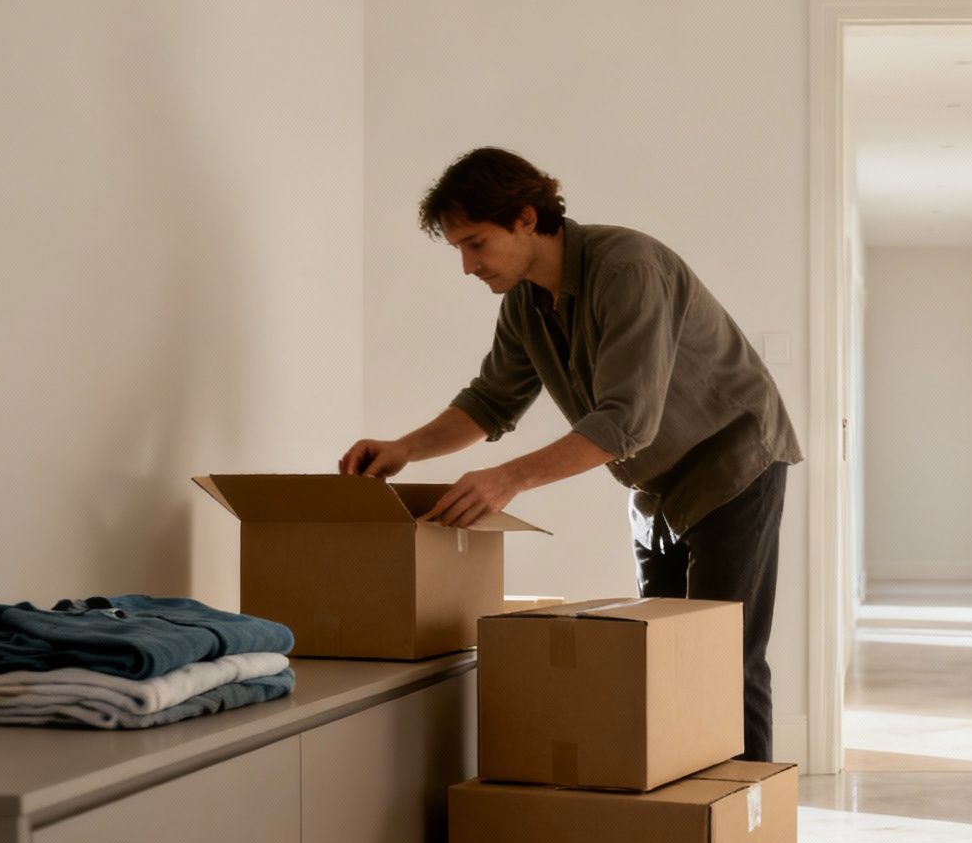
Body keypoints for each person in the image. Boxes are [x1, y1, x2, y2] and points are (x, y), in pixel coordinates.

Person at [339, 147, 801, 761]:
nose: (467, 265)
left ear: (527, 219)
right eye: (458, 249)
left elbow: (626, 421)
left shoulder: (628, 268)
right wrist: (404, 449)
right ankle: (687, 828)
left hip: (732, 463)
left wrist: (508, 480)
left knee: (722, 659)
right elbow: (489, 403)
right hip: (654, 484)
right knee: (662, 661)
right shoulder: (524, 305)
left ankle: (746, 829)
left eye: (475, 243)